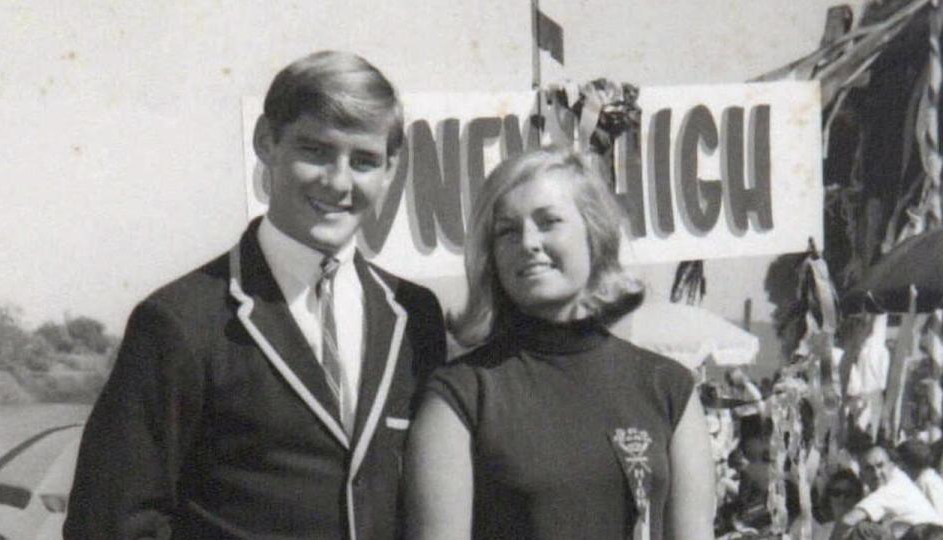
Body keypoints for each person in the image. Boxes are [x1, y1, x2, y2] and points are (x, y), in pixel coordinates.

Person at [64, 51, 447, 539]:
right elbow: (110, 523)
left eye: (364, 160)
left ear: (391, 169)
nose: (338, 181)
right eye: (316, 150)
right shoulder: (179, 320)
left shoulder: (415, 316)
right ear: (266, 141)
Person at [404, 147, 715, 539]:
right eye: (507, 230)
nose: (528, 242)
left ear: (594, 234)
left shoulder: (668, 387)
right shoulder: (461, 394)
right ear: (491, 255)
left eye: (549, 221)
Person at [837, 445, 943, 538]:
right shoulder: (899, 477)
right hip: (922, 534)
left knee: (863, 530)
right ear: (862, 475)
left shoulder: (890, 489)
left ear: (891, 466)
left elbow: (847, 521)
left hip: (928, 535)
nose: (876, 473)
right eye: (869, 469)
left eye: (880, 465)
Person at [897, 439, 943, 516]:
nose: (898, 466)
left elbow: (940, 514)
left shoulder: (928, 481)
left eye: (900, 462)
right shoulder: (920, 479)